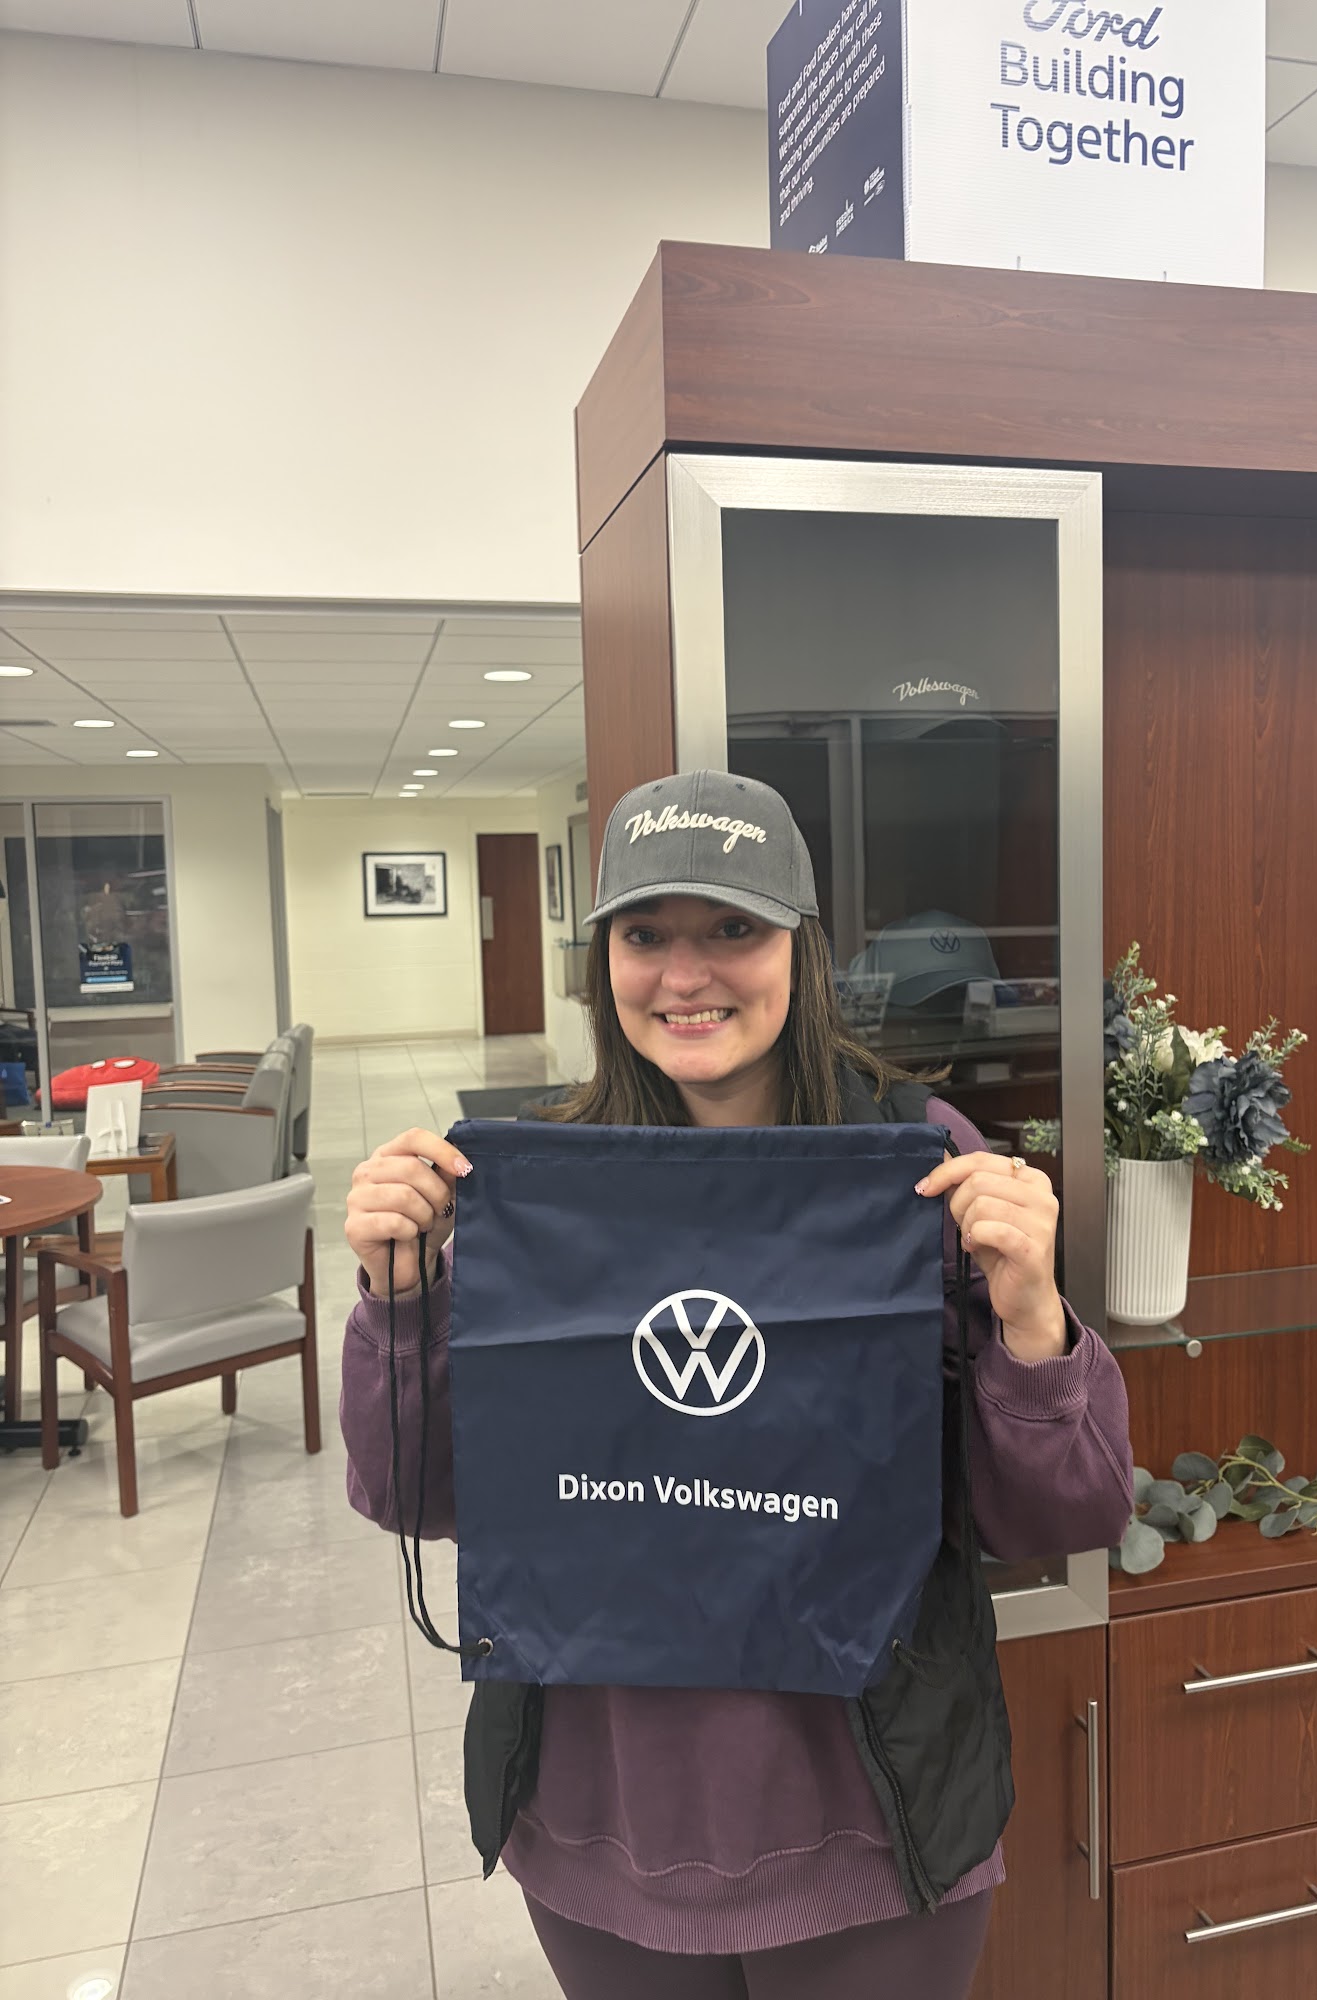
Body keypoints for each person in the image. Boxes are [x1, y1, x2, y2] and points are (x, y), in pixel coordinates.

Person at [342, 769, 1133, 2000]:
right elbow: (417, 1496)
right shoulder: (533, 1186)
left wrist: (1034, 1317)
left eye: (731, 927)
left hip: (869, 1827)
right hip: (601, 1811)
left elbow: (1066, 1512)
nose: (685, 973)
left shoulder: (924, 1168)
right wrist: (403, 1300)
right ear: (603, 960)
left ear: (800, 949)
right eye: (645, 934)